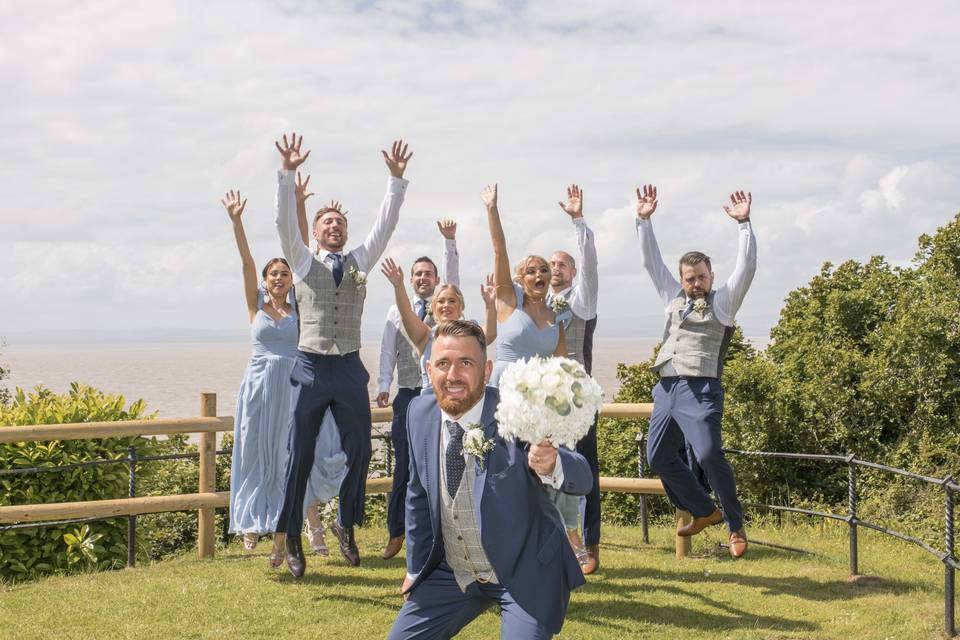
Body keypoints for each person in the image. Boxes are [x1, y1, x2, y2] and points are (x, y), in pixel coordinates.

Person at [388, 320, 592, 640]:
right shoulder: (418, 413)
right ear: (429, 370)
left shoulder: (517, 411)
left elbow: (582, 477)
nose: (452, 375)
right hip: (452, 573)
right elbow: (417, 495)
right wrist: (414, 569)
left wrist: (553, 463)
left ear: (486, 371)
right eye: (443, 363)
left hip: (524, 574)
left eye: (466, 363)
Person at [273, 132, 413, 577]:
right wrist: (287, 173)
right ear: (314, 232)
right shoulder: (300, 260)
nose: (334, 227)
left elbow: (385, 227)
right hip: (311, 366)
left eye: (339, 223)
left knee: (362, 451)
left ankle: (345, 523)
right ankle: (293, 535)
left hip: (350, 368)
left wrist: (395, 180)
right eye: (326, 223)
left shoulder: (359, 261)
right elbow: (282, 224)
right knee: (300, 454)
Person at [220, 189, 346, 568]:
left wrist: (299, 205)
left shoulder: (300, 306)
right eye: (273, 274)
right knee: (256, 451)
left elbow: (303, 251)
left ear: (292, 279)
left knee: (294, 454)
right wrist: (237, 221)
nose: (279, 277)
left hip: (293, 387)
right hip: (259, 389)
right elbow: (245, 263)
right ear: (265, 280)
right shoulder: (254, 306)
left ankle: (312, 525)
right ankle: (253, 524)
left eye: (284, 273)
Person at [635, 184, 757, 558]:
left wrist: (744, 224)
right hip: (666, 390)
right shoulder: (672, 298)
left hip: (701, 389)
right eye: (689, 278)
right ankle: (706, 510)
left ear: (711, 275)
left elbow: (747, 267)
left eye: (701, 277)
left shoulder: (723, 303)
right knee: (658, 458)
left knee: (707, 454)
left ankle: (735, 526)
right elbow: (650, 263)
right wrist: (643, 221)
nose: (695, 284)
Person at [376, 221, 461, 560]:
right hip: (409, 394)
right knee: (405, 467)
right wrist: (384, 385)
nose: (423, 278)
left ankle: (445, 534)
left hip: (441, 397)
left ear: (436, 279)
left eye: (429, 274)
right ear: (411, 279)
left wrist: (450, 243)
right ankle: (397, 533)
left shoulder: (447, 311)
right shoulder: (398, 311)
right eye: (418, 274)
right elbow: (386, 350)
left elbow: (453, 279)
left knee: (445, 463)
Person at [547, 183, 601, 574]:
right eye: (551, 264)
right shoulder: (535, 304)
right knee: (546, 468)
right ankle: (553, 540)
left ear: (573, 272)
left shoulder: (582, 300)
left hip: (579, 397)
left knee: (584, 468)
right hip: (543, 399)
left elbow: (591, 264)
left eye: (563, 264)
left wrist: (578, 221)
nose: (555, 269)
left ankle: (590, 544)